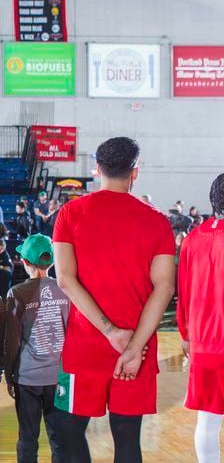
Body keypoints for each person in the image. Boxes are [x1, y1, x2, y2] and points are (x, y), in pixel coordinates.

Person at [52, 137, 176, 463]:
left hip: (85, 345)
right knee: (127, 439)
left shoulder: (70, 212)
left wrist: (109, 332)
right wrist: (133, 346)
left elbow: (65, 279)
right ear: (135, 173)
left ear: (96, 169)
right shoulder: (157, 220)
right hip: (138, 349)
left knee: (70, 435)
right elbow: (164, 288)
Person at [3, 234, 69, 463]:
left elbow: (11, 340)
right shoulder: (67, 290)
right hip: (60, 377)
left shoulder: (17, 293)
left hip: (28, 377)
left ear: (25, 262)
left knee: (28, 439)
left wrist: (9, 375)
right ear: (51, 262)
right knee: (60, 439)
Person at [177, 174, 224, 463]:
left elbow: (183, 288)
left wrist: (185, 333)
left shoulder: (194, 238)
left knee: (207, 419)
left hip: (204, 342)